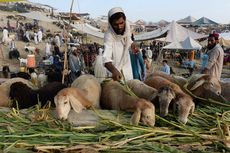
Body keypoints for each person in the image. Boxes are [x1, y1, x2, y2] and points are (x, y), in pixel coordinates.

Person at [103, 7, 133, 81]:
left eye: (121, 23)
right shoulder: (109, 35)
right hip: (115, 73)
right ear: (111, 24)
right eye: (115, 24)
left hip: (127, 69)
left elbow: (129, 39)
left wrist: (132, 44)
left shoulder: (127, 27)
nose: (119, 27)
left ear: (125, 20)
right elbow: (106, 59)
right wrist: (114, 71)